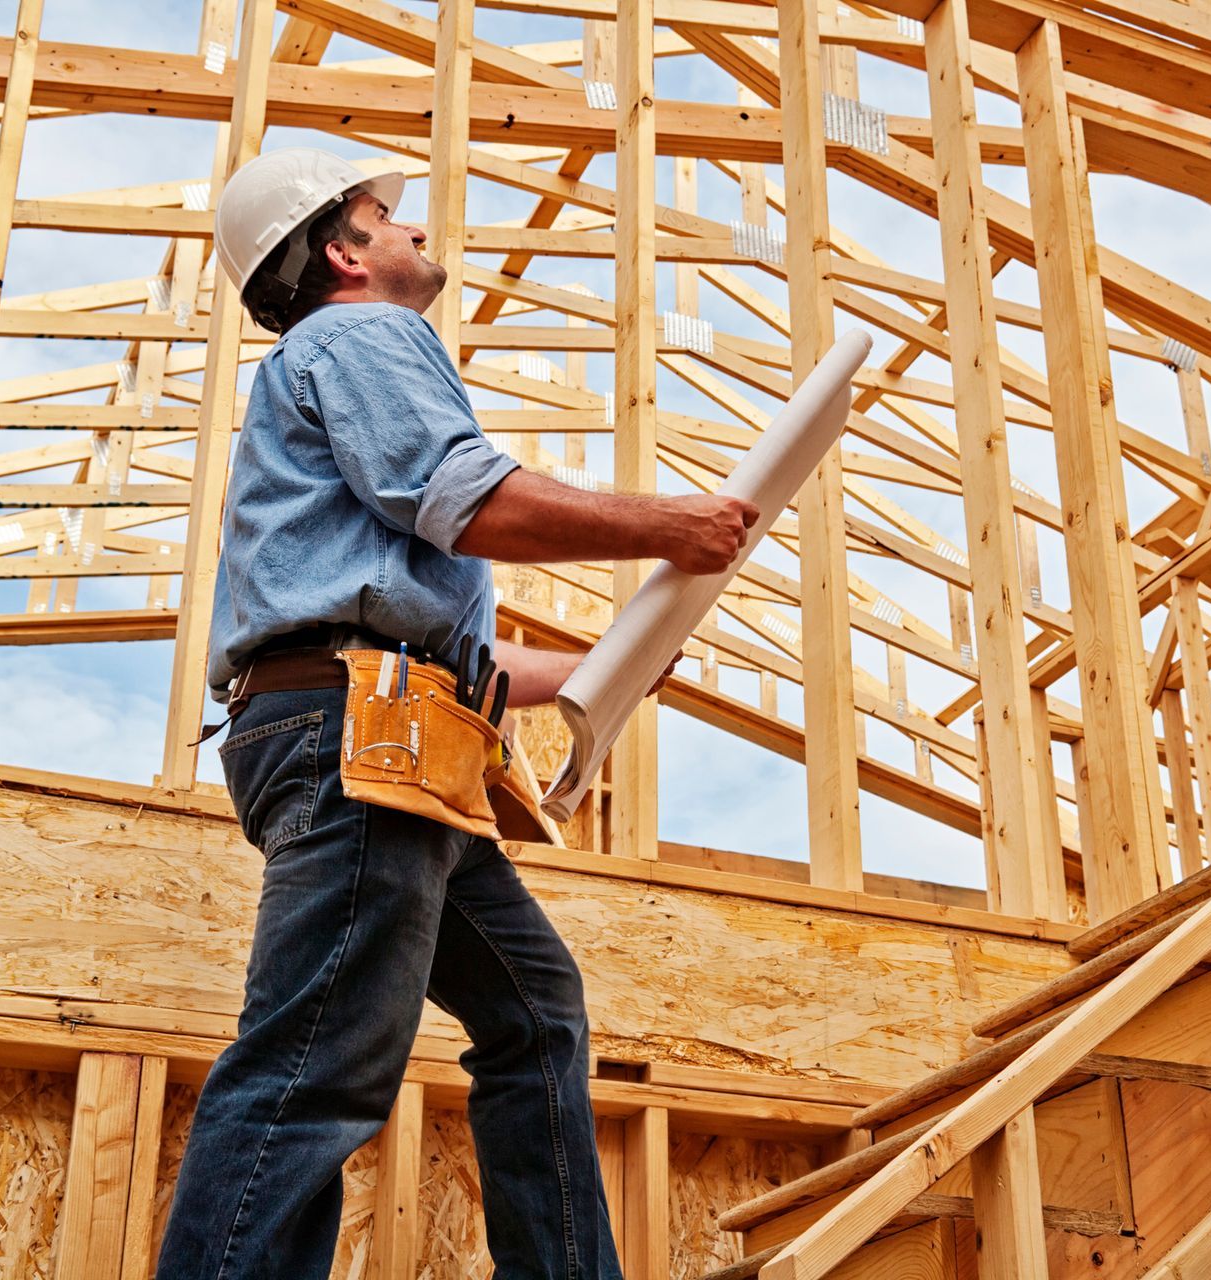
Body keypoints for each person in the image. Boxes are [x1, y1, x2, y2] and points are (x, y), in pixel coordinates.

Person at [152, 148, 759, 1279]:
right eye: (387, 218)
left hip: (396, 730)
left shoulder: (323, 366)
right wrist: (670, 526)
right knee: (316, 1062)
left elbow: (444, 642)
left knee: (535, 1009)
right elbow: (466, 498)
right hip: (360, 734)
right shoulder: (360, 337)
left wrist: (600, 665)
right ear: (343, 252)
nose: (413, 232)